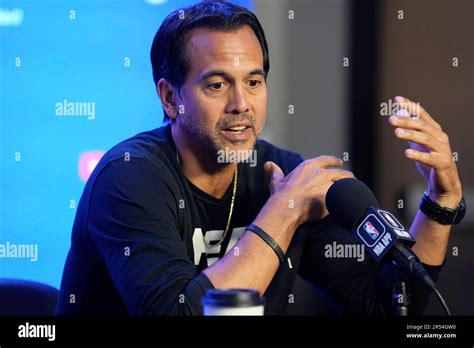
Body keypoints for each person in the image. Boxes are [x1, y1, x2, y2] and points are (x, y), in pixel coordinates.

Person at [56, 1, 464, 315]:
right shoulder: (129, 177)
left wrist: (440, 204)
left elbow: (386, 307)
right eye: (216, 85)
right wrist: (283, 212)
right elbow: (177, 313)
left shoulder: (280, 172)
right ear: (169, 97)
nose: (241, 104)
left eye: (253, 81)